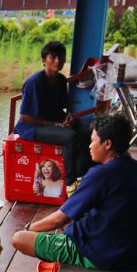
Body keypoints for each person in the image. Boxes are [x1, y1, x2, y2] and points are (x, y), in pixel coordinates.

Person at [12, 113, 137, 271]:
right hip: (135, 255)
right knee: (75, 222)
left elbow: (58, 220)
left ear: (107, 144)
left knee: (20, 239)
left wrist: (29, 228)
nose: (89, 146)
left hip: (105, 257)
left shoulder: (101, 174)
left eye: (93, 141)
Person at [14, 40, 91, 186]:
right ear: (44, 60)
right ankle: (69, 182)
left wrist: (68, 117)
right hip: (32, 127)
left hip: (52, 122)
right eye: (53, 57)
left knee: (87, 129)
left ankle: (81, 174)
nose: (58, 61)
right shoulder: (34, 83)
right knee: (70, 136)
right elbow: (24, 117)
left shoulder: (61, 80)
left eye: (61, 57)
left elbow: (62, 109)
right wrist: (55, 124)